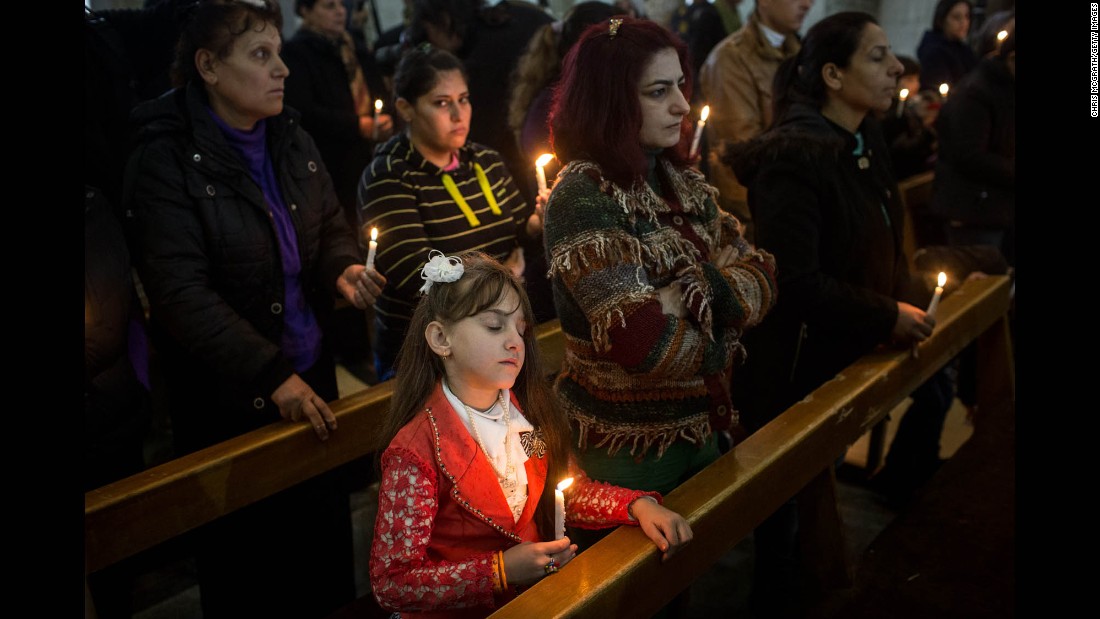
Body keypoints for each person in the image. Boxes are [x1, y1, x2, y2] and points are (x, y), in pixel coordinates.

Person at [124, 1, 385, 616]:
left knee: (319, 544)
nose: (282, 70)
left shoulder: (291, 137)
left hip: (309, 372)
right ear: (208, 66)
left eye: (279, 53)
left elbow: (327, 225)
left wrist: (341, 269)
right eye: (260, 55)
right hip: (230, 395)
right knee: (251, 564)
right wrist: (271, 375)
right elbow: (180, 294)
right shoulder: (165, 160)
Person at [726, 12, 932, 615]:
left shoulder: (860, 140)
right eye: (878, 56)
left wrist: (900, 295)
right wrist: (884, 311)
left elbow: (880, 236)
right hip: (796, 364)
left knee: (816, 500)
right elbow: (794, 281)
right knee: (787, 520)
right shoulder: (797, 156)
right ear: (833, 75)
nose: (896, 68)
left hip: (846, 347)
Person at [544, 16, 777, 529]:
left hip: (701, 427)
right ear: (612, 101)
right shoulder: (583, 197)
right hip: (626, 450)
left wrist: (694, 292)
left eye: (679, 85)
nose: (682, 104)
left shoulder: (679, 178)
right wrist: (725, 338)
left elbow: (762, 274)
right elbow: (643, 346)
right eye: (658, 91)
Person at [369, 250, 693, 617]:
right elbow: (393, 582)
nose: (515, 342)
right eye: (494, 326)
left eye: (520, 329)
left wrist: (636, 506)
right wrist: (499, 571)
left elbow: (565, 491)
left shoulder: (526, 412)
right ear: (441, 338)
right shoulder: (416, 450)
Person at [359, 45, 543, 383]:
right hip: (428, 356)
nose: (459, 115)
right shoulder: (388, 175)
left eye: (464, 99)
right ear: (406, 108)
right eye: (442, 103)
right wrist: (504, 276)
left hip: (501, 338)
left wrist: (538, 224)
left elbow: (520, 233)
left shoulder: (485, 160)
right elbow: (420, 277)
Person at [699, 0, 813, 242]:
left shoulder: (803, 53)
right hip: (764, 219)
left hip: (800, 205)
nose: (807, 4)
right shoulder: (731, 59)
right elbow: (738, 159)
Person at [930, 28, 1015, 267]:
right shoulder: (975, 93)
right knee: (982, 286)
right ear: (1012, 59)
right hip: (974, 212)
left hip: (1000, 206)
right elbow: (969, 156)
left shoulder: (1007, 86)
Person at [917, 0, 977, 92]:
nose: (964, 22)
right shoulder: (933, 51)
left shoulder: (963, 49)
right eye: (956, 17)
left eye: (967, 17)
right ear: (942, 19)